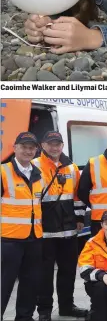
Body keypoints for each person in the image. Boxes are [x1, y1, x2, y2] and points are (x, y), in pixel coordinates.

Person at [31, 131, 88, 321]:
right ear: (43, 145)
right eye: (51, 144)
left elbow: (78, 196)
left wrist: (80, 219)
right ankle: (44, 311)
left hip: (69, 231)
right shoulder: (35, 165)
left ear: (62, 146)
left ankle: (66, 307)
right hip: (45, 232)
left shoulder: (71, 168)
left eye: (58, 144)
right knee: (44, 275)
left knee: (68, 272)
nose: (55, 148)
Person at [1, 132, 44, 321]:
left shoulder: (38, 173)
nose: (28, 151)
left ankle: (24, 317)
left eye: (31, 148)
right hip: (9, 240)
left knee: (30, 282)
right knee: (4, 283)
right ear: (15, 148)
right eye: (24, 147)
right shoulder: (3, 172)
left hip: (34, 239)